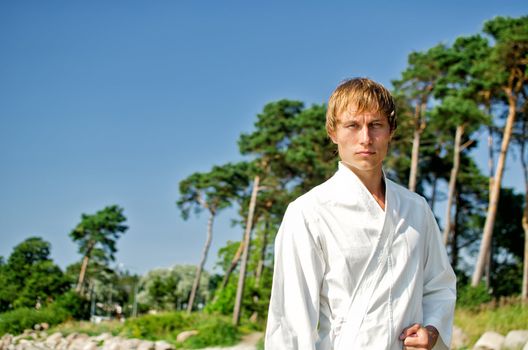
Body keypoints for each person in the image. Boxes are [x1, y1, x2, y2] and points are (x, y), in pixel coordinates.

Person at [265, 78, 456, 350]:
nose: (365, 138)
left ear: (390, 131)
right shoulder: (308, 213)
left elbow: (440, 286)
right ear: (333, 132)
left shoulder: (417, 208)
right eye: (352, 125)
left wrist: (432, 332)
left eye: (375, 125)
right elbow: (291, 322)